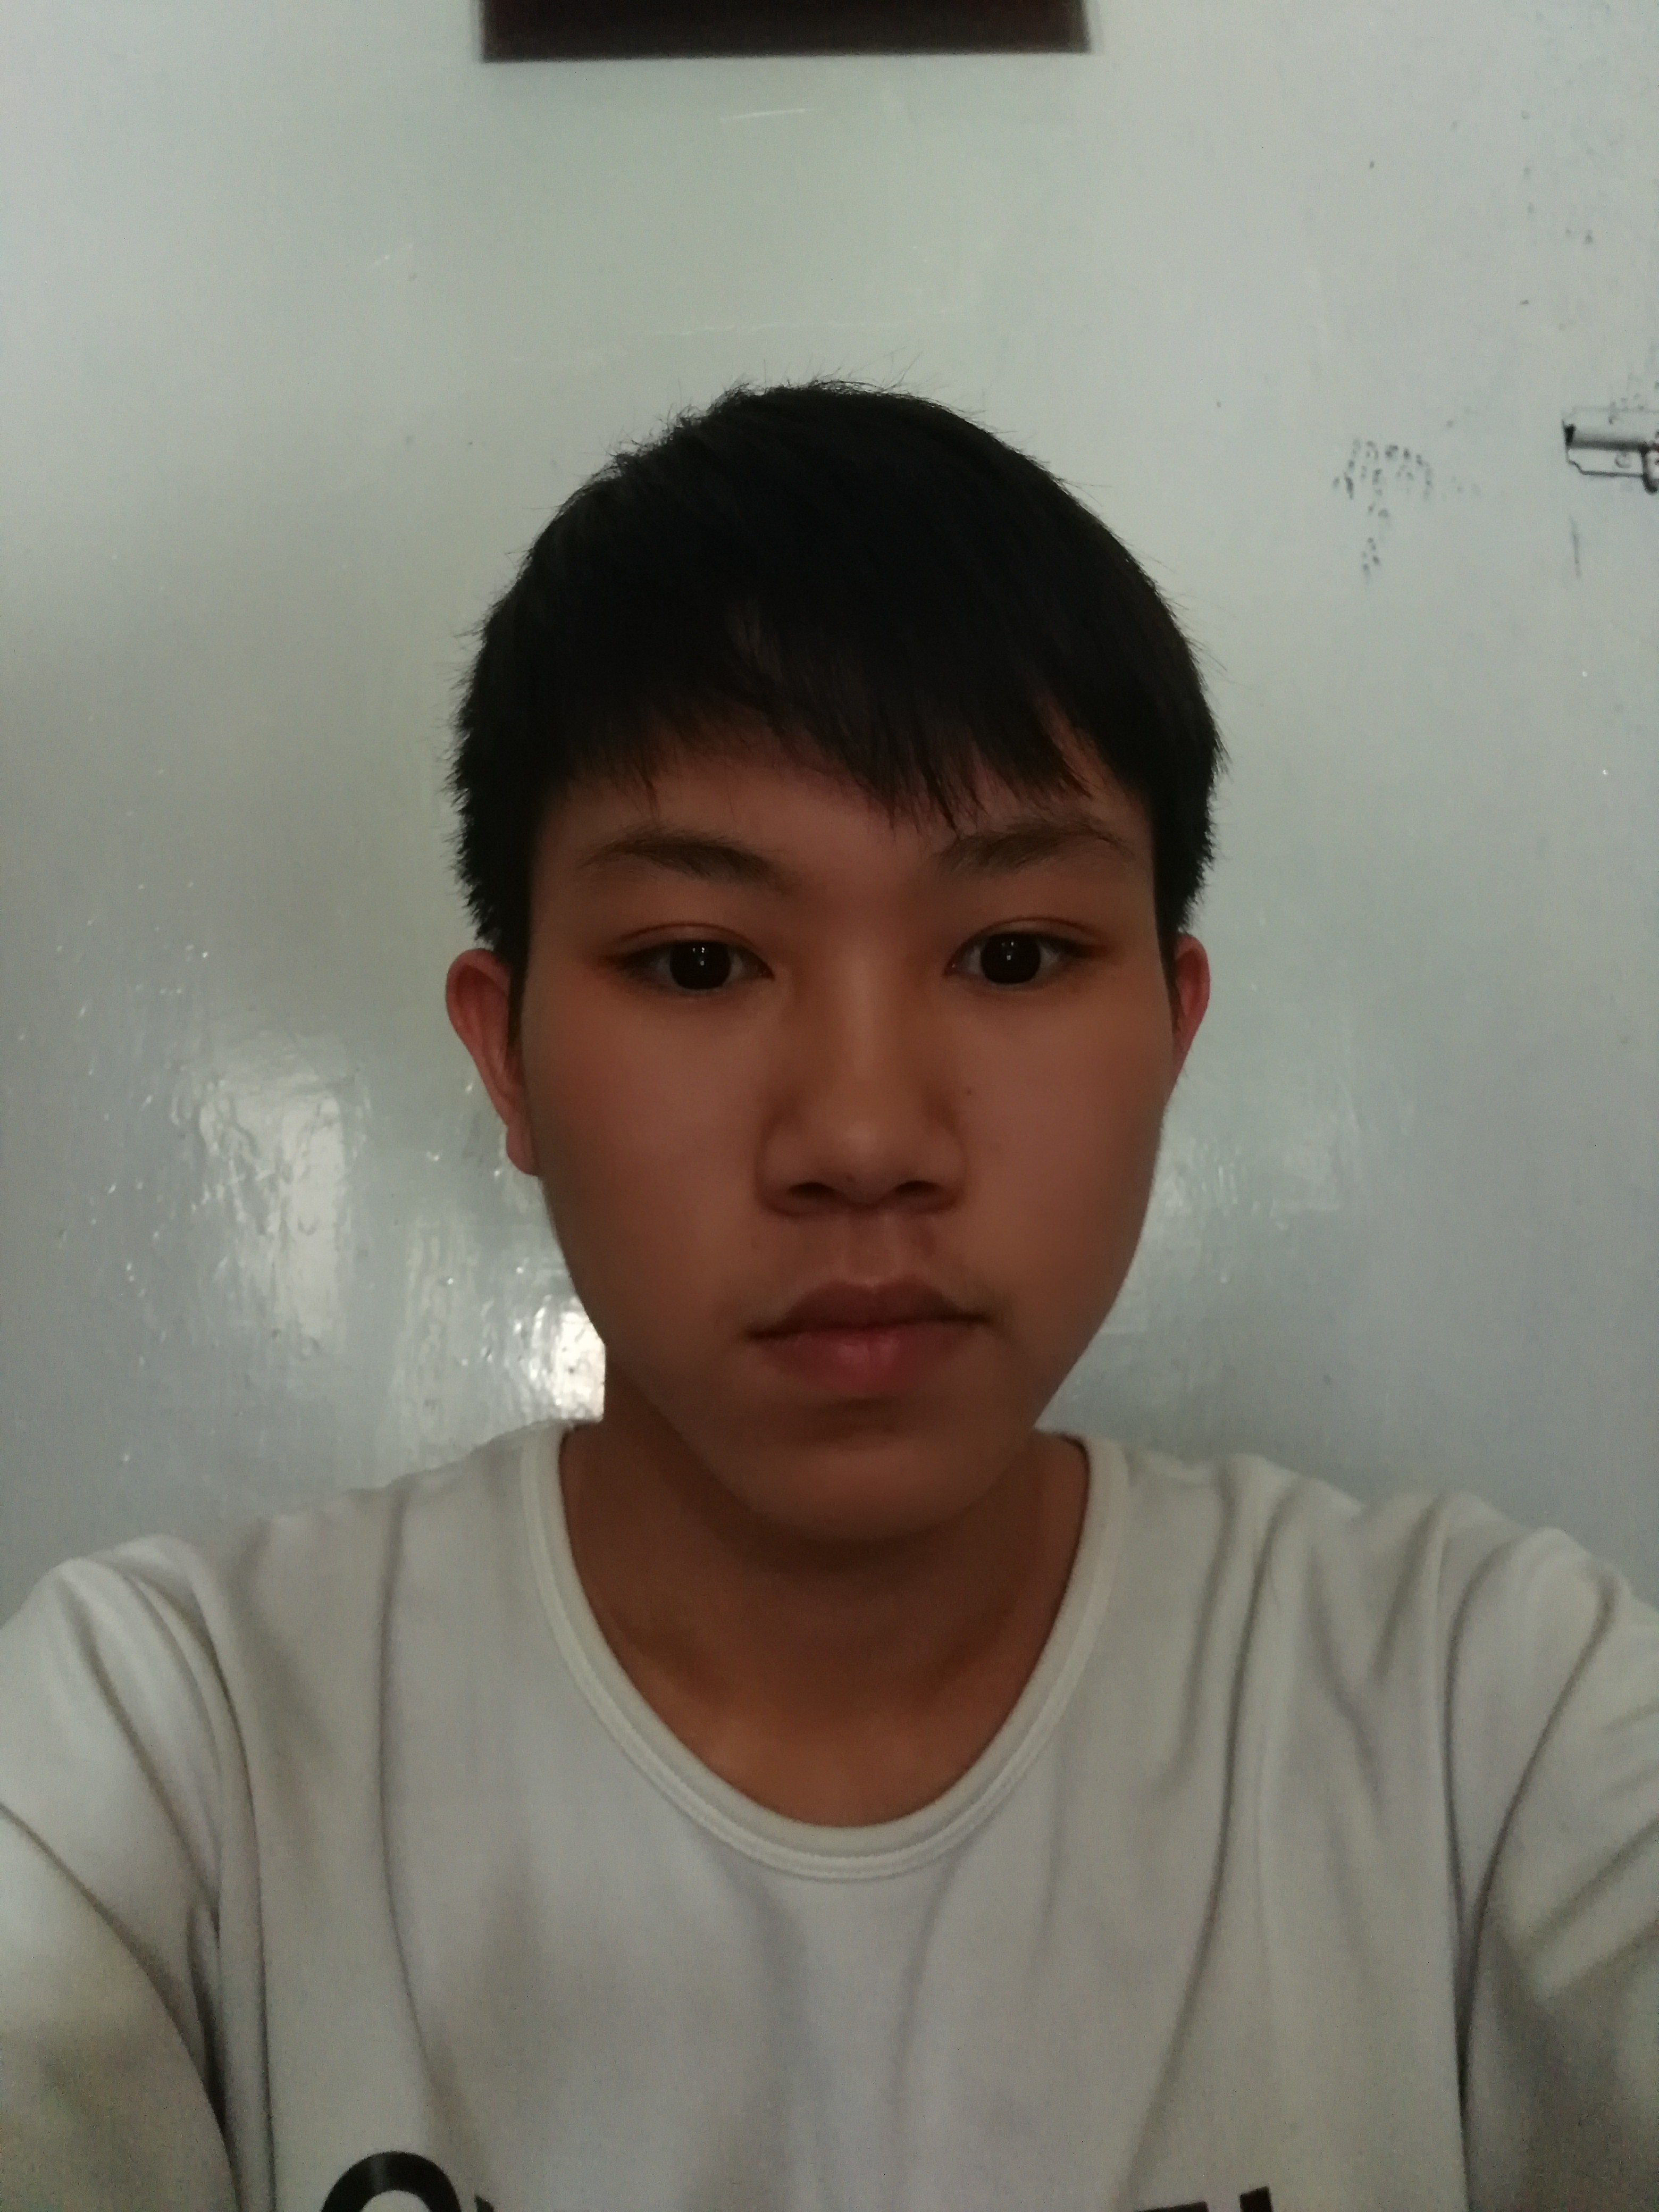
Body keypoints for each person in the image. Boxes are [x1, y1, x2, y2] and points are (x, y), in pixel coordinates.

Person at [1, 381, 1655, 2212]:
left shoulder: (1486, 1722)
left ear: (1174, 1031)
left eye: (1013, 953)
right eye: (698, 963)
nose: (864, 1138)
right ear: (509, 1057)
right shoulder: (172, 1755)